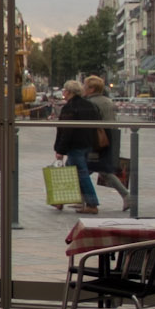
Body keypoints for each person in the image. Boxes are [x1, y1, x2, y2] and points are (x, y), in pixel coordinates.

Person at [55, 80, 105, 214]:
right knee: (69, 173)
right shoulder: (90, 105)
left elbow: (66, 131)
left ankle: (92, 204)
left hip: (75, 146)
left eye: (64, 90)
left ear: (69, 92)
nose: (63, 93)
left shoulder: (69, 108)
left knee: (82, 174)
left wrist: (60, 150)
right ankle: (59, 201)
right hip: (88, 144)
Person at [84, 76, 129, 210]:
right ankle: (82, 198)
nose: (83, 89)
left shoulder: (91, 103)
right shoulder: (107, 101)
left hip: (98, 140)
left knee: (87, 169)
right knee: (97, 169)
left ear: (91, 89)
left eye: (85, 86)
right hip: (110, 136)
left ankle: (127, 196)